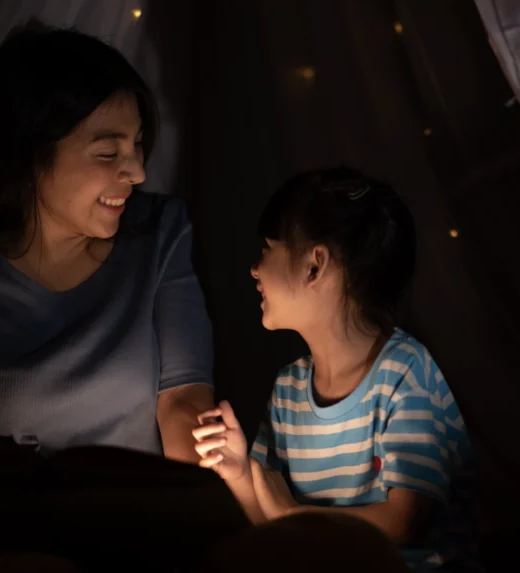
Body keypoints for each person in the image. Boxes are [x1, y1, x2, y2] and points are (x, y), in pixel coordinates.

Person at [0, 27, 214, 465]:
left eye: (136, 144)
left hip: (137, 517)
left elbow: (183, 403)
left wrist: (194, 504)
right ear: (29, 153)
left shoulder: (159, 232)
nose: (136, 171)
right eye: (107, 153)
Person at [192, 168, 479, 570]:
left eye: (268, 249)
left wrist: (294, 516)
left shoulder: (405, 373)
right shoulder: (288, 388)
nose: (255, 269)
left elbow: (402, 524)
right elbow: (269, 526)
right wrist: (239, 471)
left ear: (314, 265)